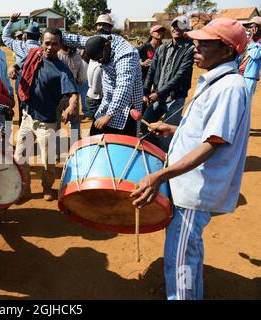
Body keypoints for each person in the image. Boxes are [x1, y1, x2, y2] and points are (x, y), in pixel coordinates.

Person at [131, 18, 250, 300]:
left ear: (226, 50)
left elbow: (212, 145)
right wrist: (174, 129)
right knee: (187, 250)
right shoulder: (215, 80)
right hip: (188, 184)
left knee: (180, 257)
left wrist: (160, 175)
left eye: (204, 44)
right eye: (196, 41)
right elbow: (208, 132)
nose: (195, 47)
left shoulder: (230, 87)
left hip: (195, 190)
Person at [15, 27, 78, 202]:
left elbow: (73, 92)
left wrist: (71, 106)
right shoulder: (34, 55)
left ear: (60, 45)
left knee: (48, 161)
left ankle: (47, 187)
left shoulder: (62, 70)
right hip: (27, 117)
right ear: (42, 42)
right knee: (19, 157)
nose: (50, 47)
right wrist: (13, 67)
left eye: (54, 44)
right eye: (47, 43)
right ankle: (25, 187)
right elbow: (21, 64)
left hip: (46, 122)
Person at [62, 31, 143, 137]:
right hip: (107, 102)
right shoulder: (100, 41)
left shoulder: (126, 56)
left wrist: (109, 115)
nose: (100, 62)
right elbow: (78, 40)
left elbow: (124, 88)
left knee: (122, 146)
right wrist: (58, 36)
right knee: (95, 137)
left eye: (100, 58)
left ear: (107, 46)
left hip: (127, 109)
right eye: (96, 61)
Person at [142, 16, 195, 152]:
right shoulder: (162, 48)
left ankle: (166, 160)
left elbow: (179, 76)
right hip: (158, 97)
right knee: (145, 125)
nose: (176, 28)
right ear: (171, 28)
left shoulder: (189, 50)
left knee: (167, 135)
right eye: (174, 25)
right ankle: (155, 153)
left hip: (175, 98)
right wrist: (146, 92)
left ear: (186, 30)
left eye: (181, 26)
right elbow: (152, 71)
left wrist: (158, 93)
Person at [2, 13, 41, 125]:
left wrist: (11, 21)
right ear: (38, 36)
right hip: (36, 85)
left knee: (22, 110)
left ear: (26, 35)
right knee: (36, 114)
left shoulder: (18, 45)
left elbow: (5, 37)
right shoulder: (41, 50)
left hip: (21, 84)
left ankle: (23, 134)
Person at [56, 44, 87, 155]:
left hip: (56, 95)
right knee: (74, 123)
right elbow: (82, 79)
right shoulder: (77, 57)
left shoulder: (55, 55)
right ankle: (76, 150)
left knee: (56, 124)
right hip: (72, 95)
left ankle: (56, 153)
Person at [240, 16, 261, 97]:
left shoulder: (255, 42)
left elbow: (255, 55)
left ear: (258, 28)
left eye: (251, 27)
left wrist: (251, 40)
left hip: (249, 77)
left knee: (246, 100)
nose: (249, 29)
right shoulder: (249, 41)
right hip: (239, 74)